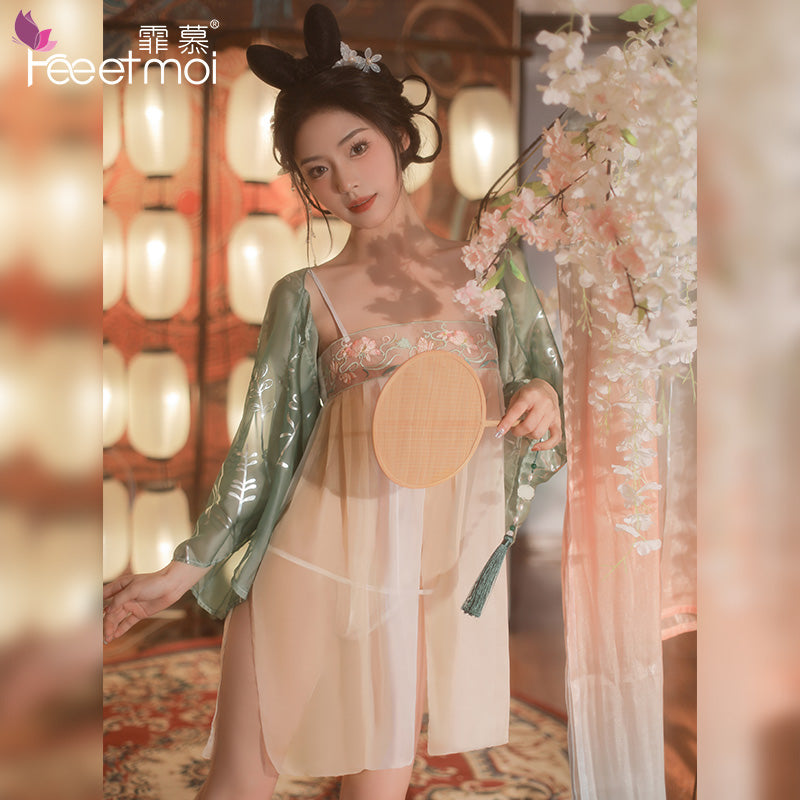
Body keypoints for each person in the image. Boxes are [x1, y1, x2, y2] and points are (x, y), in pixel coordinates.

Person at [102, 5, 565, 799]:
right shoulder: (306, 294)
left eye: (356, 148)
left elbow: (541, 394)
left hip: (418, 581)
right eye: (316, 169)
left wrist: (543, 397)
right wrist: (184, 569)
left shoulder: (490, 270)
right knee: (238, 787)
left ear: (400, 138)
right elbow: (261, 450)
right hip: (309, 560)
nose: (346, 182)